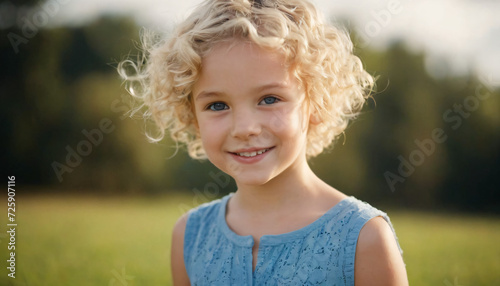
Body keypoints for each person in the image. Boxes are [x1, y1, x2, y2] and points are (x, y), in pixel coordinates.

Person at [119, 0, 408, 284]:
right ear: (192, 117)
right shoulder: (189, 236)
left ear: (316, 104)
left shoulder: (364, 238)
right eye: (218, 105)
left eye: (269, 99)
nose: (245, 128)